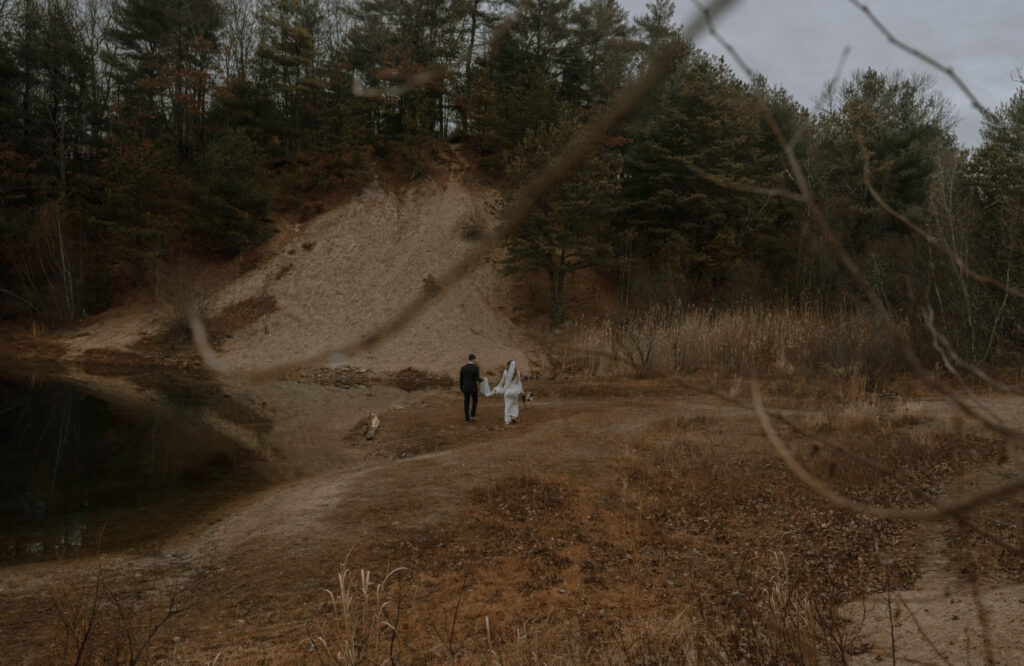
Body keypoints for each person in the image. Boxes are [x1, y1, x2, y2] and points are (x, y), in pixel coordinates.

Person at [486, 360, 523, 425]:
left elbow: (502, 382)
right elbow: (519, 382)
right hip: (515, 391)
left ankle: (507, 421)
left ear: (508, 365)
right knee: (515, 404)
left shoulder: (505, 372)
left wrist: (498, 388)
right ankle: (514, 416)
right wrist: (522, 391)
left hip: (508, 391)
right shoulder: (517, 372)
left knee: (507, 406)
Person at [459, 354, 482, 423]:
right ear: (474, 359)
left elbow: (461, 379)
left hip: (465, 388)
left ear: (468, 359)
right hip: (473, 388)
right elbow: (477, 378)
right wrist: (482, 380)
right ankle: (472, 415)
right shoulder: (475, 368)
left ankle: (467, 419)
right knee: (475, 400)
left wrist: (461, 388)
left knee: (466, 402)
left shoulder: (463, 368)